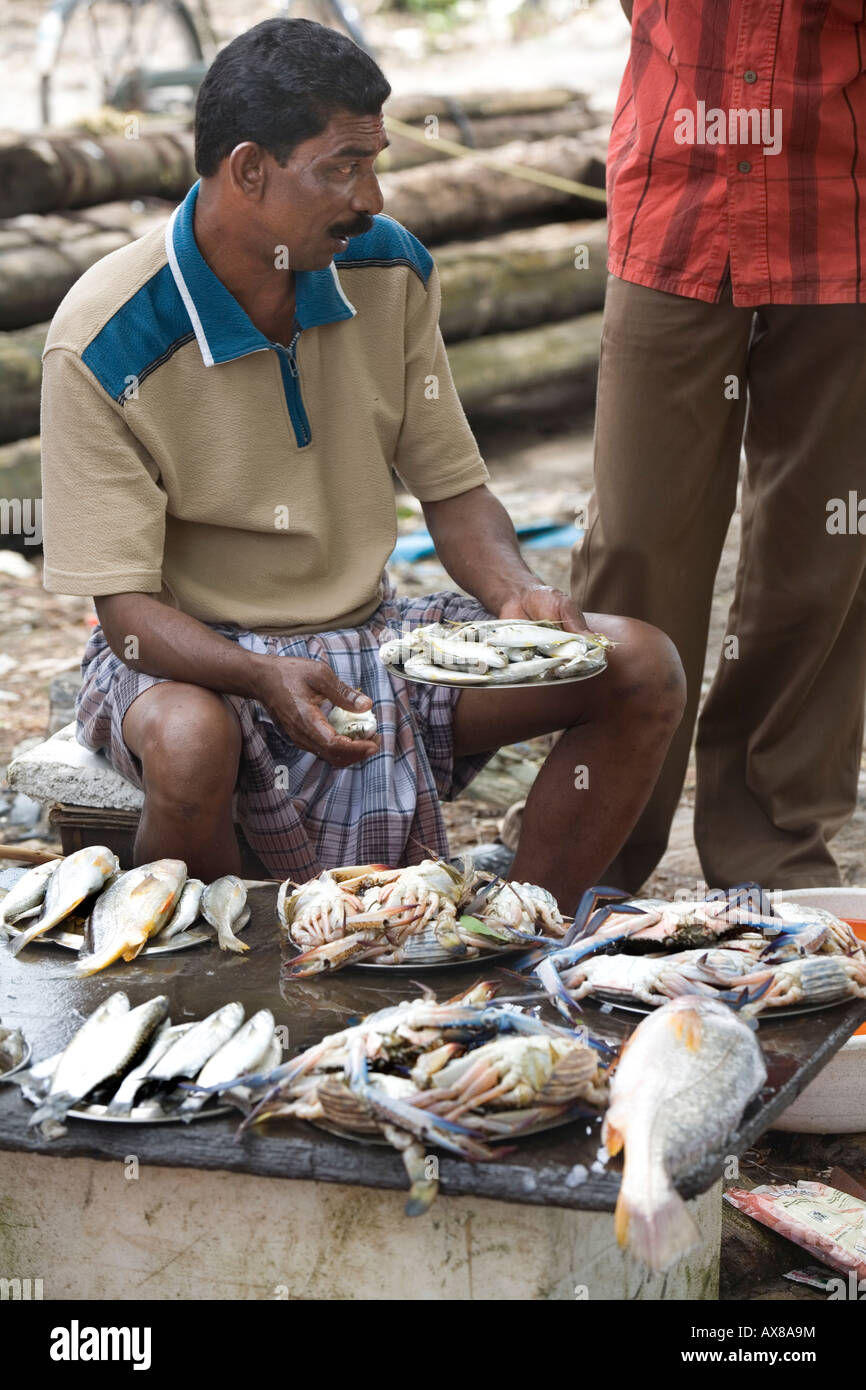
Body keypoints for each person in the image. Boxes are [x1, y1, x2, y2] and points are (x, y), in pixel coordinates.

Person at [40, 18, 684, 910]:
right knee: (191, 742)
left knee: (640, 664)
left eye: (373, 163)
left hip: (375, 638)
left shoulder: (388, 270)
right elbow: (129, 619)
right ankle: (230, 979)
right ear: (249, 170)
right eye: (340, 167)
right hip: (192, 650)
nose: (370, 197)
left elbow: (455, 492)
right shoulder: (105, 338)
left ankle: (520, 938)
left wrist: (512, 594)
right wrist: (260, 673)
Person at [573, 0, 866, 893]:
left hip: (843, 209)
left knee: (819, 556)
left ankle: (772, 847)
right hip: (675, 201)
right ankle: (595, 834)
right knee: (635, 537)